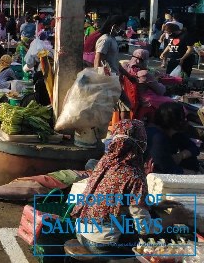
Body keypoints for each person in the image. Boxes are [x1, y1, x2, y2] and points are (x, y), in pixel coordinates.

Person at [72, 119, 151, 255]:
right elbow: (143, 226)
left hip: (80, 233)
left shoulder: (105, 161)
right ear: (141, 142)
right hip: (101, 244)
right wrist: (171, 220)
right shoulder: (134, 174)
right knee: (151, 241)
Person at [145, 102, 200, 174]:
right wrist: (195, 174)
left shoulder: (173, 133)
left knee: (191, 160)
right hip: (155, 173)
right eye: (183, 117)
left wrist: (181, 155)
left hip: (167, 167)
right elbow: (165, 169)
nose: (185, 120)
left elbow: (194, 148)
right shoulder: (157, 137)